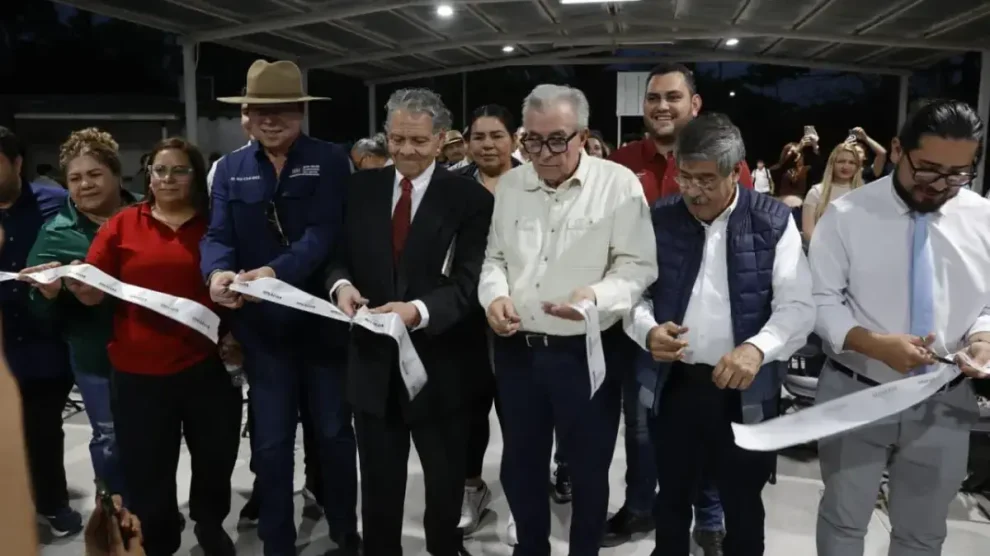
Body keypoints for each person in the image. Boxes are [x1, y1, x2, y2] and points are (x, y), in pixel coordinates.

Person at [479, 83, 657, 556]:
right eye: (532, 141)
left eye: (557, 139)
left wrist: (594, 296)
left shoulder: (618, 185)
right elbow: (494, 257)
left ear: (582, 135)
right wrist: (494, 296)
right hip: (519, 351)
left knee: (588, 468)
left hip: (586, 352)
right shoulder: (514, 185)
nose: (544, 153)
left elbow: (637, 266)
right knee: (519, 465)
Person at [626, 113, 815, 556]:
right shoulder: (661, 218)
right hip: (675, 384)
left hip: (743, 389)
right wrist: (646, 330)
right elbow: (633, 294)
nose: (693, 190)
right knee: (670, 497)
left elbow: (799, 308)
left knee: (743, 502)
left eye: (707, 180)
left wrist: (756, 348)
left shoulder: (771, 222)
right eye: (685, 176)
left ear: (737, 171)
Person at [809, 99, 990, 556]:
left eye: (957, 174)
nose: (940, 185)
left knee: (923, 532)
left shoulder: (983, 219)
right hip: (856, 390)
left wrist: (985, 336)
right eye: (927, 169)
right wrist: (870, 344)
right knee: (844, 521)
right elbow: (819, 299)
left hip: (945, 402)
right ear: (895, 150)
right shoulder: (848, 215)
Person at [326, 87, 493, 556]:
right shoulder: (359, 189)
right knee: (378, 488)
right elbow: (336, 257)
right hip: (372, 366)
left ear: (441, 140)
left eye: (418, 141)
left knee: (443, 487)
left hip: (442, 368)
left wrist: (417, 312)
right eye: (396, 138)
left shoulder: (470, 200)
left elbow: (470, 282)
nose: (405, 150)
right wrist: (342, 287)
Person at [202, 59, 358, 556]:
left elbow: (323, 234)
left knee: (333, 436)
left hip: (323, 327)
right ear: (245, 115)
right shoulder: (228, 170)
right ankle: (277, 541)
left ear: (301, 113)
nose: (271, 119)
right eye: (259, 110)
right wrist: (217, 274)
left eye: (283, 110)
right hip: (264, 334)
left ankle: (343, 529)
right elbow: (217, 235)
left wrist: (273, 273)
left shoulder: (331, 160)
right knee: (269, 445)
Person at [74, 137, 241, 556]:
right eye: (159, 170)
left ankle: (209, 524)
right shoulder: (123, 224)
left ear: (196, 176)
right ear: (148, 176)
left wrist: (239, 338)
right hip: (138, 372)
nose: (167, 178)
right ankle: (161, 539)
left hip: (208, 367)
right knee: (148, 469)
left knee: (215, 458)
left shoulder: (217, 225)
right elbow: (93, 289)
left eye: (179, 170)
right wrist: (70, 283)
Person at [606, 61, 743, 550]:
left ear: (695, 104)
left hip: (705, 324)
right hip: (640, 318)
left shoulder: (729, 159)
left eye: (673, 97)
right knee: (641, 424)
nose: (662, 106)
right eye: (653, 98)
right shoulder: (620, 163)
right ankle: (641, 505)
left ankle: (708, 512)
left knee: (707, 424)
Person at [21, 128, 140, 502]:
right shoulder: (55, 234)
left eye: (94, 174)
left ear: (117, 175)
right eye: (75, 178)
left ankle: (152, 510)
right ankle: (114, 515)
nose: (85, 184)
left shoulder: (148, 216)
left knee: (152, 435)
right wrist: (49, 294)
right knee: (108, 436)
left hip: (154, 353)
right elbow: (37, 308)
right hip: (95, 356)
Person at [0, 126, 79, 536]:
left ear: (17, 163)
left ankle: (53, 504)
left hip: (45, 340)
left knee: (42, 429)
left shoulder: (55, 203)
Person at [801, 142, 864, 242]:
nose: (846, 166)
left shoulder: (864, 193)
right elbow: (808, 232)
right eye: (841, 161)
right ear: (832, 164)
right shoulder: (816, 192)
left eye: (851, 162)